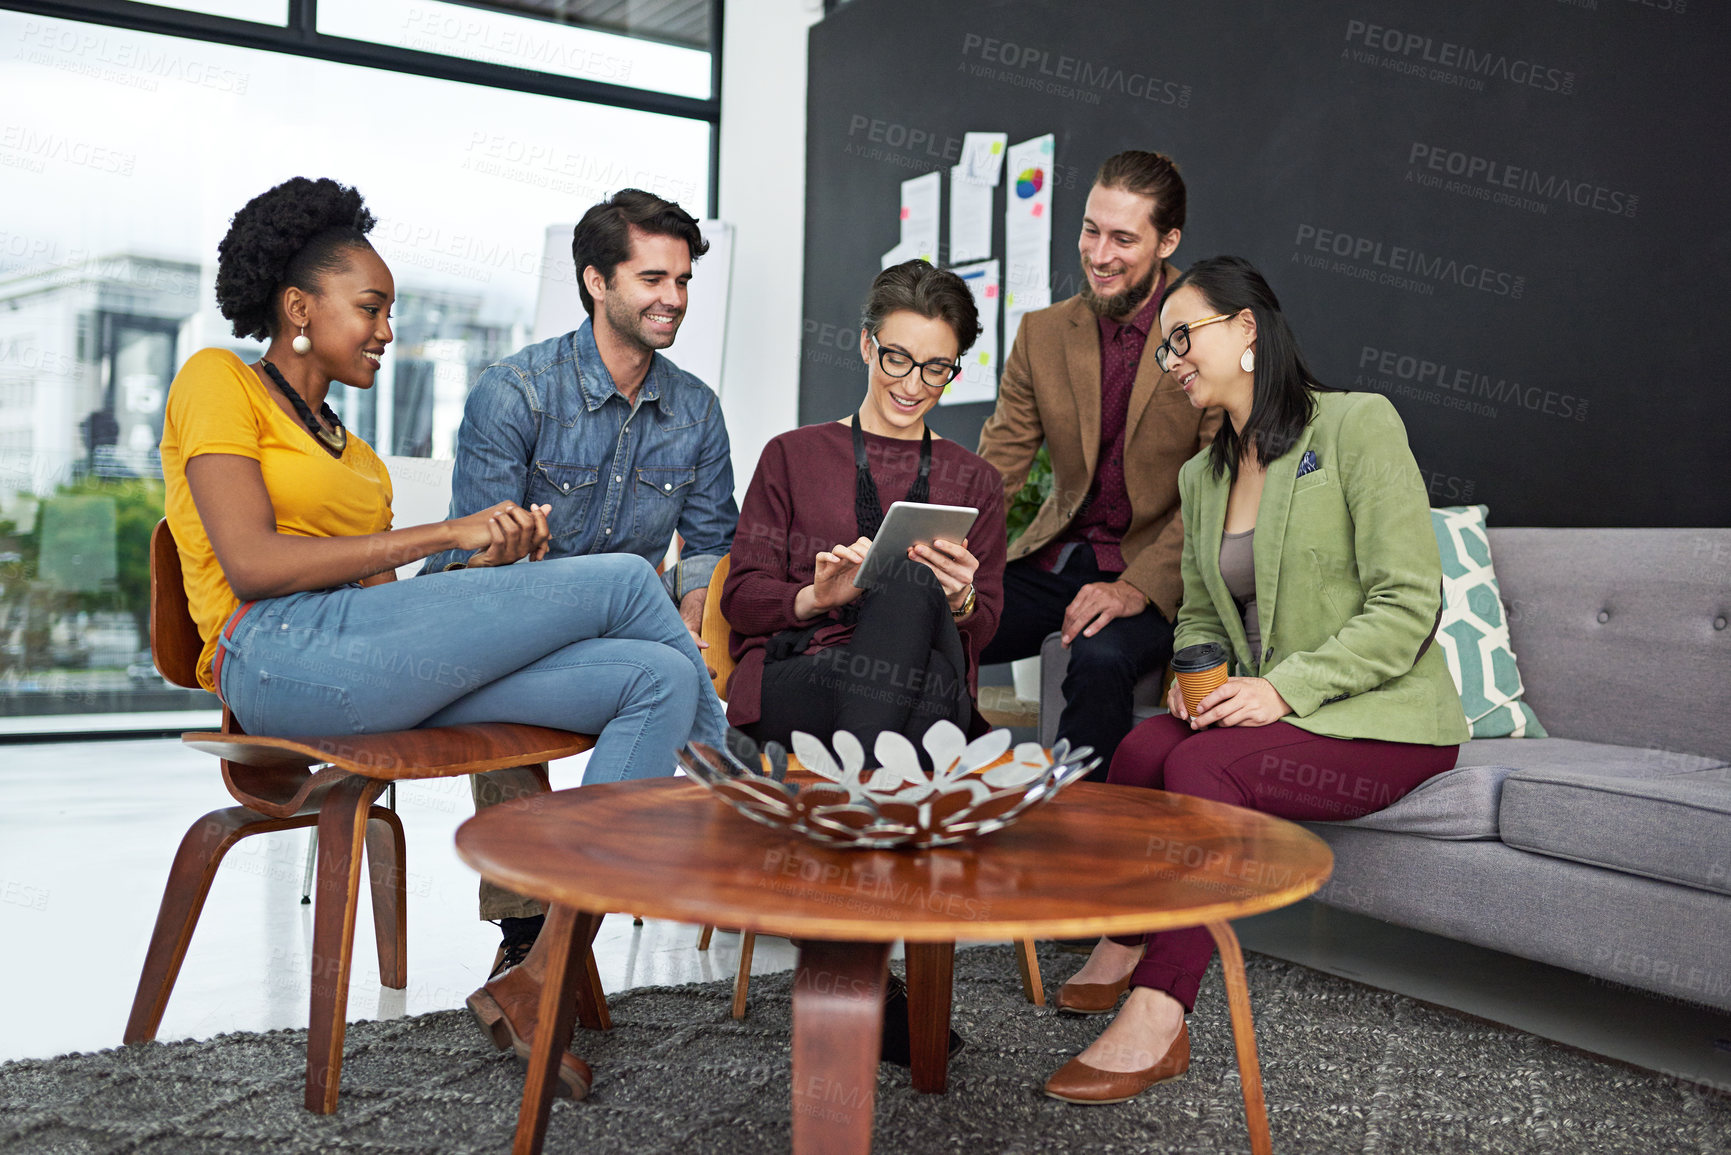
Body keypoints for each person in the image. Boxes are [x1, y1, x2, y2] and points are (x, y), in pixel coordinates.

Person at [161, 177, 726, 1100]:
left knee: (655, 677)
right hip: (268, 654)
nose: (387, 330)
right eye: (371, 307)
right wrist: (451, 534)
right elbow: (255, 566)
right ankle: (726, 805)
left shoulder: (356, 455)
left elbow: (391, 614)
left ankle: (541, 973)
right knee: (627, 578)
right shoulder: (216, 381)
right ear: (299, 307)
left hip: (369, 666)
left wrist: (486, 594)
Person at [1042, 256, 1467, 1104]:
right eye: (1164, 348)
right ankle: (1125, 940)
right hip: (1270, 711)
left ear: (1245, 329)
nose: (1173, 362)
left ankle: (1161, 1011)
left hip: (1382, 720)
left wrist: (1282, 688)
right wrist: (1194, 675)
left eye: (1183, 338)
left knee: (1199, 768)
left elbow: (1408, 601)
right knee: (1140, 747)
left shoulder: (1355, 425)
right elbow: (1201, 611)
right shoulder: (1204, 476)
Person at [421, 189, 738, 975]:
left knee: (668, 653)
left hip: (625, 630)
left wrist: (694, 617)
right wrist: (516, 555)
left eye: (684, 280)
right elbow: (469, 565)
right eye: (652, 279)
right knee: (501, 704)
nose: (673, 298)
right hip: (507, 627)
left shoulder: (695, 409)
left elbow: (707, 544)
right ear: (597, 282)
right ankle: (531, 937)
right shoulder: (515, 392)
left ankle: (571, 925)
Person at [977, 150, 1222, 775]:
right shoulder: (1042, 333)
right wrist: (952, 550)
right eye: (1091, 229)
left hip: (1159, 566)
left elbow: (1216, 488)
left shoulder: (1212, 333)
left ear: (1168, 241)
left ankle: (1083, 831)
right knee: (936, 618)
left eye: (1123, 238)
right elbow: (1000, 460)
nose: (1099, 254)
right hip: (1060, 555)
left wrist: (1137, 588)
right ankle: (959, 780)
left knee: (1101, 656)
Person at [724, 259, 1005, 752]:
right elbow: (741, 599)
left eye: (936, 369)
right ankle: (874, 804)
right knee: (929, 688)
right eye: (897, 359)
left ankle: (857, 802)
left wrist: (962, 600)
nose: (913, 386)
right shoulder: (790, 456)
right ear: (866, 346)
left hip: (927, 684)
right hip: (803, 675)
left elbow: (982, 631)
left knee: (916, 599)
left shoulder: (977, 481)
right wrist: (815, 597)